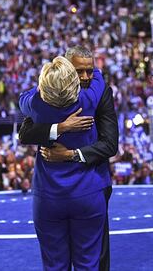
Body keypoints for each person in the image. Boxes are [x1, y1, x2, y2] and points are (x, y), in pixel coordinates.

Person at [19, 45, 118, 271]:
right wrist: (60, 127)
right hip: (88, 190)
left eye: (90, 71)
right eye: (79, 71)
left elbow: (110, 144)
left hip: (53, 193)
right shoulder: (92, 96)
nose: (86, 77)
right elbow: (25, 134)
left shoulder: (37, 101)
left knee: (56, 263)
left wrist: (69, 152)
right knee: (89, 262)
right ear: (66, 70)